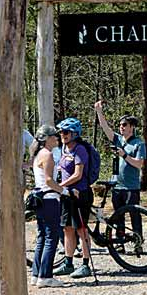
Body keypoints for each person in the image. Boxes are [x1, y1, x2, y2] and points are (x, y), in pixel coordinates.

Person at [94, 100, 146, 244]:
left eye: (124, 125)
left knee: (135, 215)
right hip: (117, 186)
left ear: (132, 127)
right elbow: (105, 128)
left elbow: (138, 164)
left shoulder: (138, 143)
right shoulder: (117, 139)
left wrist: (124, 155)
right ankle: (120, 242)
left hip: (131, 187)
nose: (121, 127)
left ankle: (138, 241)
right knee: (118, 217)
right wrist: (99, 111)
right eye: (120, 125)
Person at [54, 117, 94, 279]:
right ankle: (68, 263)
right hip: (67, 195)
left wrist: (60, 185)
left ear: (74, 133)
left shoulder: (80, 150)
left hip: (80, 194)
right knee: (67, 228)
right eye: (61, 132)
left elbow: (78, 175)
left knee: (81, 229)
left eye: (65, 132)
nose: (62, 135)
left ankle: (85, 265)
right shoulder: (65, 149)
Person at [28, 125, 66, 288]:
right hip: (49, 198)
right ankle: (46, 275)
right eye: (54, 136)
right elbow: (50, 180)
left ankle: (36, 273)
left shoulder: (37, 155)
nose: (56, 138)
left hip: (40, 198)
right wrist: (65, 191)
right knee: (52, 236)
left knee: (42, 236)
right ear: (47, 139)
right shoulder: (48, 154)